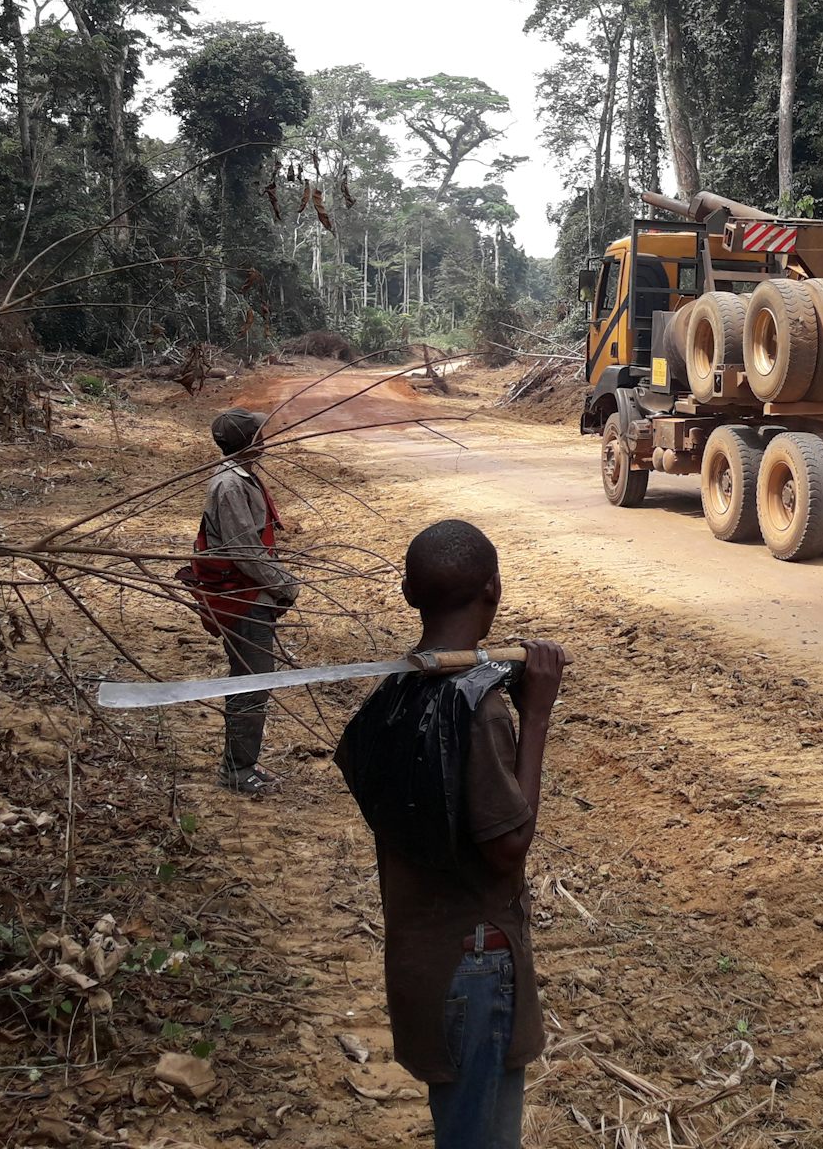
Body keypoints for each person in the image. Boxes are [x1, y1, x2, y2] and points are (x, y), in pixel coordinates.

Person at [334, 519, 565, 1149]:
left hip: (422, 962)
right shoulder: (479, 711)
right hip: (475, 969)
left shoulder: (394, 697)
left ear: (409, 595)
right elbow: (507, 851)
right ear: (494, 589)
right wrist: (537, 714)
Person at [192, 407, 297, 793]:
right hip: (241, 596)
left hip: (253, 593)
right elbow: (244, 551)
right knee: (251, 683)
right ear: (250, 442)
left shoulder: (242, 477)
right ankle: (237, 772)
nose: (267, 440)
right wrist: (286, 584)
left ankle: (243, 764)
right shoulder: (230, 485)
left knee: (255, 680)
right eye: (261, 435)